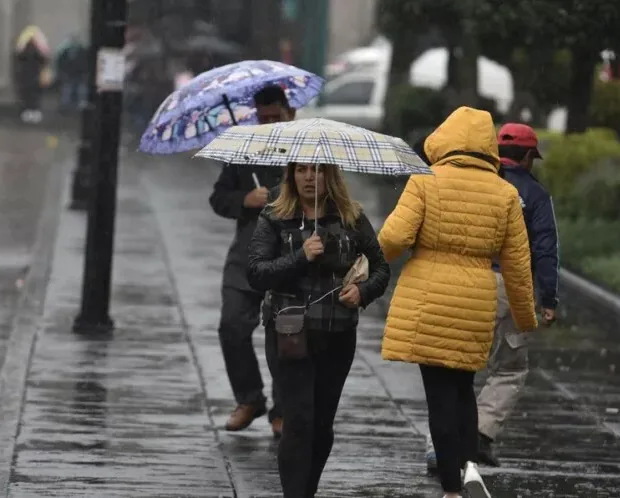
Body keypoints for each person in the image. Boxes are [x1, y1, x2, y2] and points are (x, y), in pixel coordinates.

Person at [378, 107, 538, 498]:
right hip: (476, 300)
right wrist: (525, 316)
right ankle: (469, 468)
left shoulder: (425, 181)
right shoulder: (505, 193)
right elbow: (518, 264)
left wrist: (370, 261)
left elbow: (394, 238)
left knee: (438, 396)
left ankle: (451, 486)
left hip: (428, 298)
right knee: (464, 387)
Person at [247, 162, 390, 498]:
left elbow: (381, 267)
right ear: (291, 175)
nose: (309, 177)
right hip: (289, 332)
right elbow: (256, 273)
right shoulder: (274, 217)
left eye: (318, 170)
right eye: (302, 170)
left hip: (337, 334)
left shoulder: (352, 217)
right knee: (299, 422)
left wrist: (363, 292)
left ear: (331, 176)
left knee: (322, 426)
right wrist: (301, 256)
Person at [424, 123, 560, 471]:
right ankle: (480, 433)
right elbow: (545, 249)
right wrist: (548, 299)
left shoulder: (476, 183)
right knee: (511, 367)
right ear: (529, 157)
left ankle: (439, 444)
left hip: (464, 282)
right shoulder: (536, 195)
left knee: (455, 365)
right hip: (510, 286)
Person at [209, 85, 296, 437]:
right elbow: (218, 198)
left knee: (285, 338)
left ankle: (284, 409)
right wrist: (245, 199)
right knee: (231, 326)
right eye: (264, 117)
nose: (270, 122)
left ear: (289, 112)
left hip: (289, 258)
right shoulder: (243, 151)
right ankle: (249, 398)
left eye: (277, 116)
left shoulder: (303, 149)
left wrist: (276, 197)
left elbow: (322, 195)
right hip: (246, 256)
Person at [14, 26, 50, 124]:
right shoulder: (40, 50)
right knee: (34, 95)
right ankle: (33, 112)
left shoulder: (21, 50)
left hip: (26, 77)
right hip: (34, 77)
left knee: (27, 95)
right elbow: (44, 61)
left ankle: (27, 112)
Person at [54, 34, 88, 112]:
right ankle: (67, 106)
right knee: (69, 90)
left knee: (79, 90)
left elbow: (87, 62)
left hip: (79, 73)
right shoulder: (66, 52)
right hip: (70, 74)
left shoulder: (81, 51)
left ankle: (76, 105)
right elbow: (60, 63)